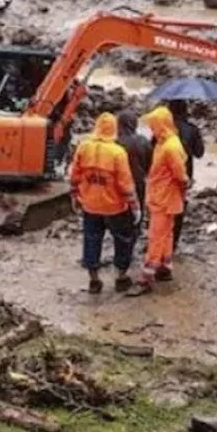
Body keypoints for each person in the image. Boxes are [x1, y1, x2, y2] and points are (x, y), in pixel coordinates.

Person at [71, 113, 141, 294]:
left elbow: (75, 176)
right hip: (115, 207)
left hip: (90, 205)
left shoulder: (83, 147)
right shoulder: (117, 153)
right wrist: (135, 206)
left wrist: (75, 197)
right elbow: (125, 184)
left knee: (92, 239)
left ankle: (94, 280)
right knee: (123, 240)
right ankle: (121, 277)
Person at [130, 106, 189, 295]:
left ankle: (146, 276)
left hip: (164, 198)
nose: (151, 129)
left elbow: (180, 175)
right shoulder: (165, 143)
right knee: (166, 233)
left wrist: (184, 186)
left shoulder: (170, 147)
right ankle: (165, 266)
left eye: (153, 125)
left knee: (156, 236)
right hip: (162, 196)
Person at [166, 100, 205, 249]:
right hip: (184, 175)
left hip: (164, 175)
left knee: (163, 207)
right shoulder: (192, 129)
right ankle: (173, 242)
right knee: (179, 206)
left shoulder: (163, 129)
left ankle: (162, 238)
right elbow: (199, 153)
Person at [117, 110, 152, 213]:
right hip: (139, 182)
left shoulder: (115, 143)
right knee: (138, 212)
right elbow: (150, 164)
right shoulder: (143, 141)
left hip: (118, 184)